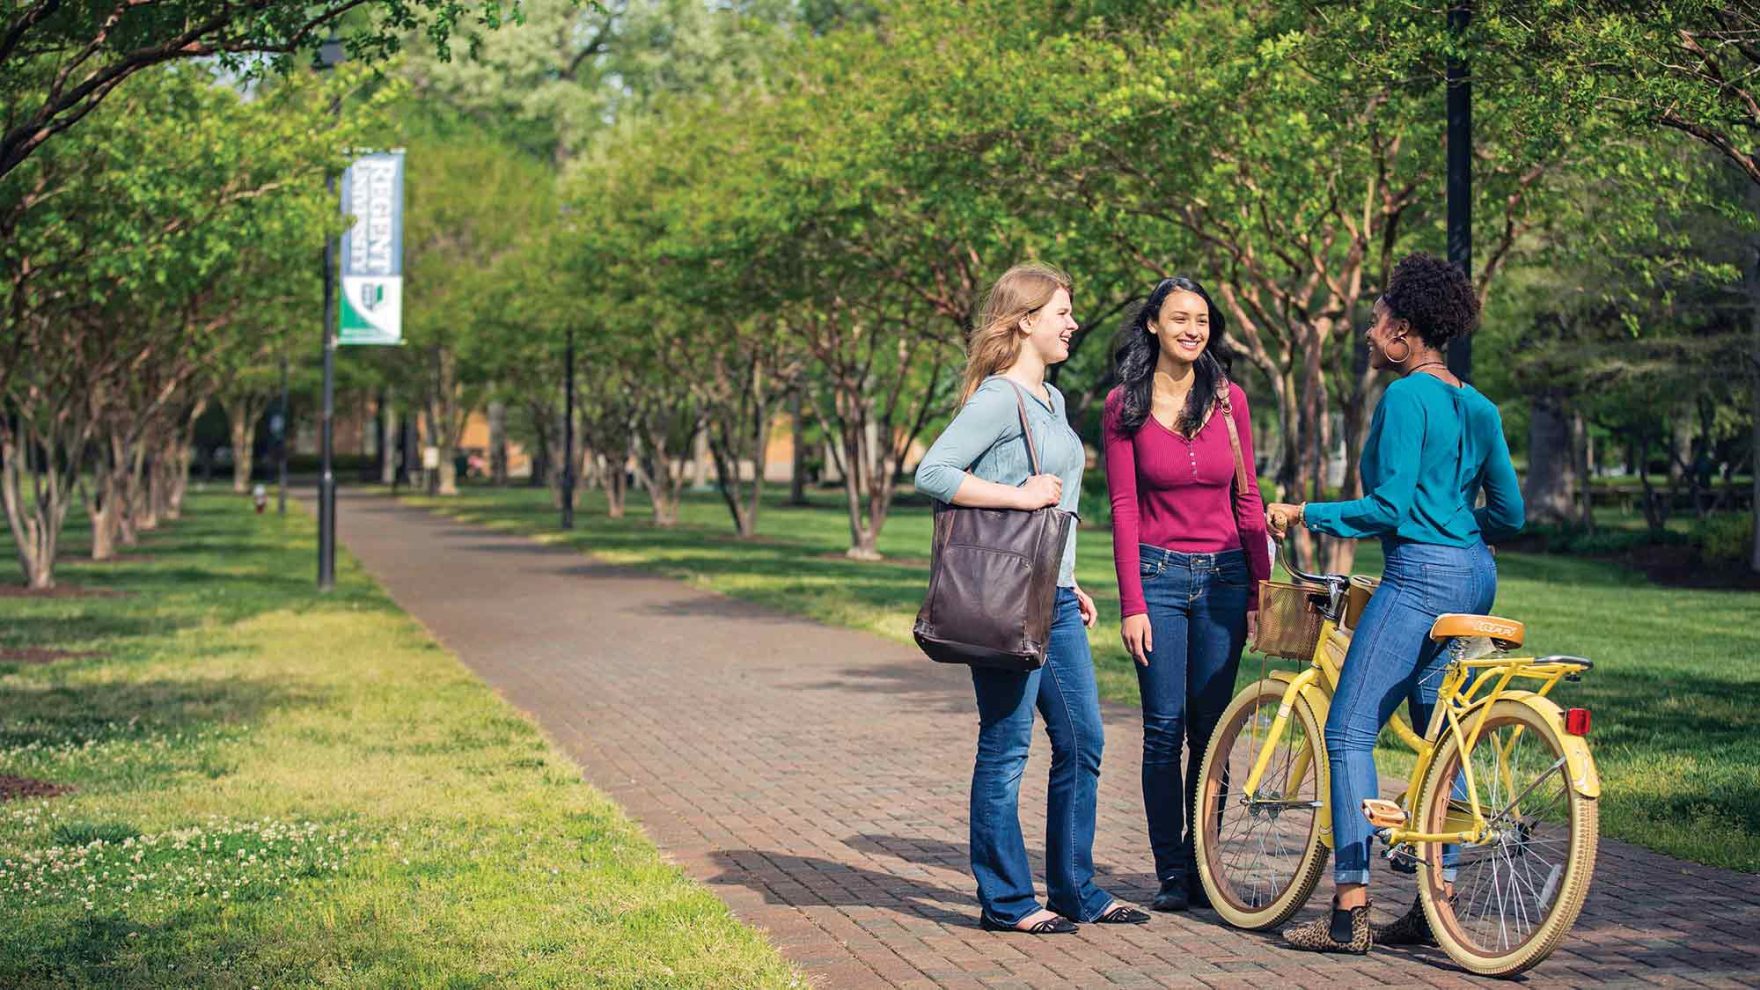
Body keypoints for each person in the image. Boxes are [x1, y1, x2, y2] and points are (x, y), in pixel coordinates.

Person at [1267, 252, 1524, 954]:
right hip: (1475, 575)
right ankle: (1433, 901)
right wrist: (1466, 533)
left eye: (1377, 323)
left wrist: (1304, 511)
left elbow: (1389, 506)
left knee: (1348, 732)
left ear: (1406, 331)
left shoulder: (1407, 397)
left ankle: (1349, 910)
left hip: (1421, 578)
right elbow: (1511, 510)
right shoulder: (1478, 405)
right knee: (1437, 733)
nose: (1369, 334)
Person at [915, 262, 1149, 934]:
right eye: (1062, 313)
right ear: (1025, 321)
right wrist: (1018, 495)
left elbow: (1061, 511)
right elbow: (931, 471)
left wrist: (1071, 582)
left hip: (1054, 600)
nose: (1073, 324)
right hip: (1002, 604)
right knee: (1008, 743)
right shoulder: (996, 398)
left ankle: (1076, 888)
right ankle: (1008, 902)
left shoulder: (1053, 402)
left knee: (1084, 740)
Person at [1102, 277, 1269, 912]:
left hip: (1226, 580)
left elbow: (1247, 498)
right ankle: (1171, 871)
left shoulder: (1230, 402)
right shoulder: (1124, 405)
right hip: (1160, 577)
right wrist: (1133, 602)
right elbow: (1122, 508)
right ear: (1153, 325)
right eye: (1179, 318)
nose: (1193, 329)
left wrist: (1258, 592)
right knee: (1163, 730)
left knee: (1211, 729)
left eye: (1201, 319)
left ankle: (1204, 864)